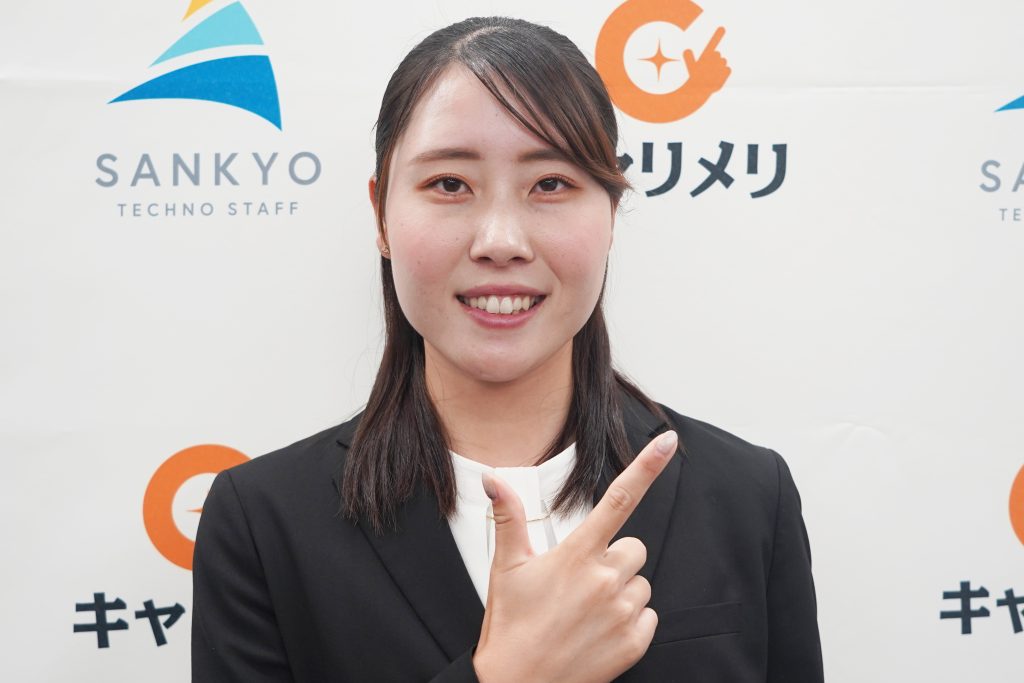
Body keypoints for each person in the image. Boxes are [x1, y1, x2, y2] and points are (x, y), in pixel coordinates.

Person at [191, 15, 824, 683]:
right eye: (450, 184)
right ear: (381, 215)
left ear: (611, 211)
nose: (500, 240)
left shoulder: (747, 496)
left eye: (550, 184)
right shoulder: (263, 522)